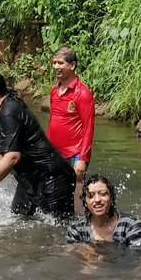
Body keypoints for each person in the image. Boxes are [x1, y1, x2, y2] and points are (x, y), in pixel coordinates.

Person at [0, 69, 76, 219]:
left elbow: (12, 157)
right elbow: (4, 153)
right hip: (30, 180)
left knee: (59, 229)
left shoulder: (9, 111)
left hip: (52, 178)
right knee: (18, 219)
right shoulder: (2, 111)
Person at [65, 174, 141, 248]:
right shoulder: (77, 229)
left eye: (103, 194)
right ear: (85, 202)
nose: (97, 200)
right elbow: (70, 256)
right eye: (91, 195)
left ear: (111, 198)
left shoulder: (130, 225)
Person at [46, 46, 95, 180]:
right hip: (54, 153)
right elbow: (52, 121)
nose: (56, 66)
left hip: (75, 155)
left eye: (60, 63)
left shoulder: (83, 94)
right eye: (54, 63)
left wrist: (83, 159)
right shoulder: (54, 91)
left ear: (72, 65)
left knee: (75, 195)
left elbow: (88, 128)